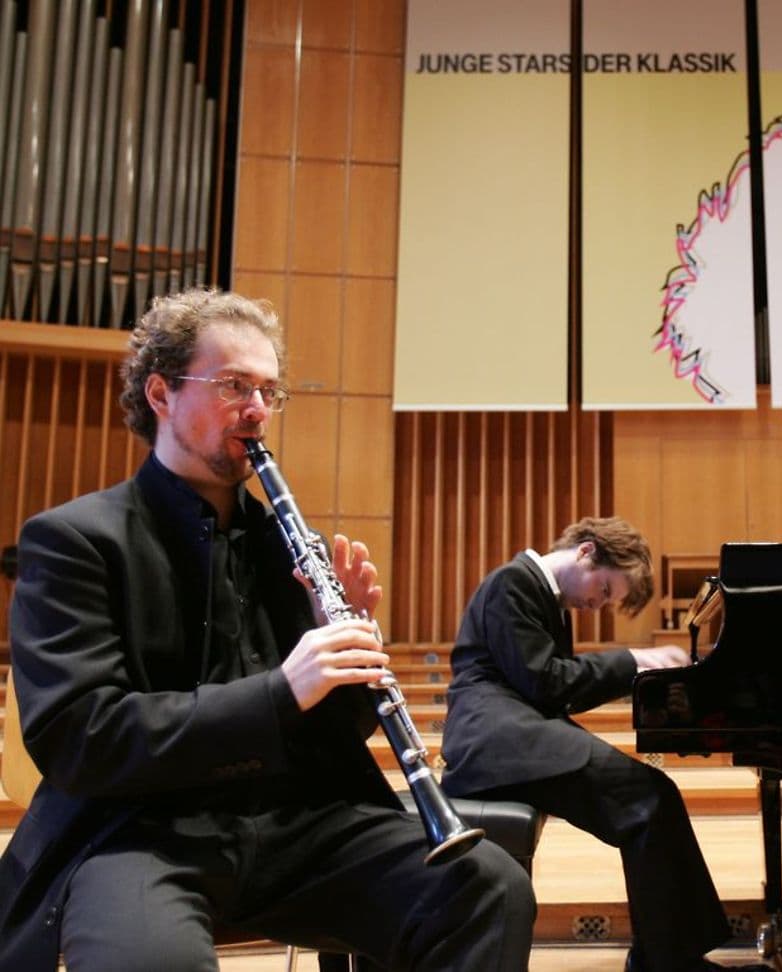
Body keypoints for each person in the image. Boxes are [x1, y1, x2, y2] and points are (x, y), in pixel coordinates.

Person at [0, 289, 535, 972]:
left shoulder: (288, 544)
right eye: (233, 386)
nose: (257, 410)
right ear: (161, 394)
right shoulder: (76, 541)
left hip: (294, 826)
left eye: (268, 391)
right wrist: (284, 689)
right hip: (135, 832)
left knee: (486, 887)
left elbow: (331, 735)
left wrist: (345, 663)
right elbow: (82, 737)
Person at [439, 518, 763, 972]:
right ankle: (669, 964)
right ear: (588, 552)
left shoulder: (539, 596)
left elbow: (554, 687)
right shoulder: (513, 583)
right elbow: (548, 683)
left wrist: (646, 681)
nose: (598, 604)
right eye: (606, 590)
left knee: (653, 796)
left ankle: (667, 958)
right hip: (494, 740)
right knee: (648, 799)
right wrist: (635, 661)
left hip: (513, 735)